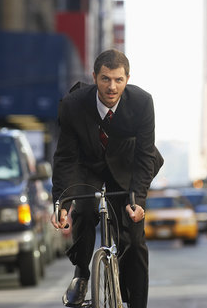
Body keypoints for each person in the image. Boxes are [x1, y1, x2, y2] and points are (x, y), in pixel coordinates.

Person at [51, 49, 163, 308]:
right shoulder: (72, 104)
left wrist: (138, 200)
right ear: (94, 77)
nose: (112, 87)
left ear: (127, 79)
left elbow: (146, 155)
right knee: (86, 212)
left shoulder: (142, 102)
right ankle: (81, 273)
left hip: (127, 166)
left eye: (118, 80)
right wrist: (62, 204)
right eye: (105, 79)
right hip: (87, 166)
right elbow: (65, 157)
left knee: (134, 242)